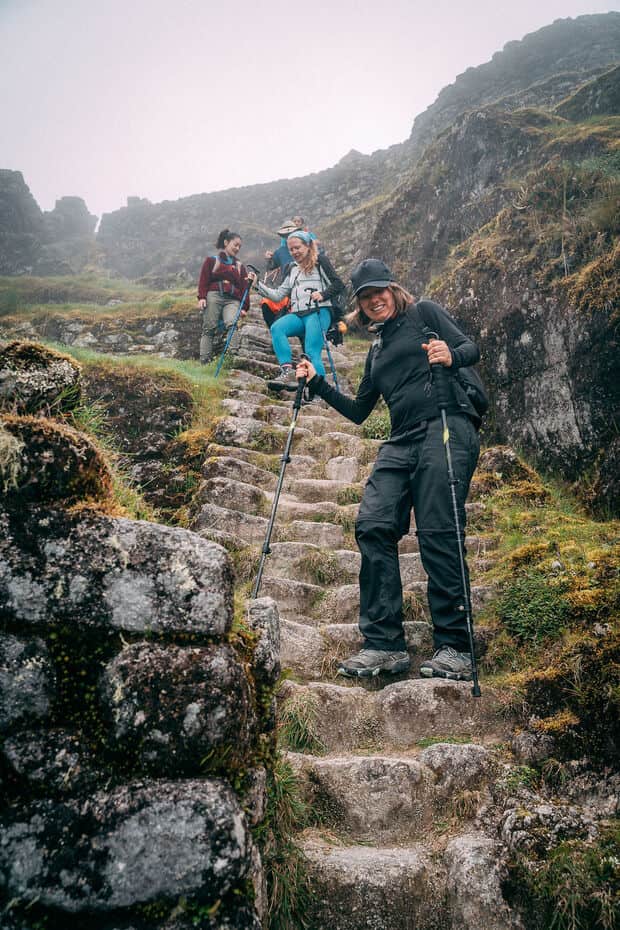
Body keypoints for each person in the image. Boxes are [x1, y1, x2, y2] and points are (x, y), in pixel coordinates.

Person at [295, 259, 482, 681]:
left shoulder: (425, 315)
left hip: (446, 423)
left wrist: (449, 354)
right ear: (359, 306)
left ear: (393, 289)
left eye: (378, 290)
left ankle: (456, 645)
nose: (373, 299)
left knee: (438, 529)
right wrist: (318, 383)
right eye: (364, 296)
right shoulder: (376, 351)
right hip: (401, 440)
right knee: (373, 523)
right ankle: (383, 644)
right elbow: (360, 412)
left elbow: (471, 349)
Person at [249, 231, 345, 389]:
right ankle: (288, 372)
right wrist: (257, 284)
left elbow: (338, 284)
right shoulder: (292, 268)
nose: (294, 252)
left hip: (319, 311)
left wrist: (322, 294)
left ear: (308, 246)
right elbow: (278, 295)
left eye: (297, 248)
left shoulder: (320, 261)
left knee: (311, 351)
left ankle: (320, 392)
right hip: (299, 314)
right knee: (277, 328)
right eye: (291, 249)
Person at [197, 229, 250, 364]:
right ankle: (205, 361)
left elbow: (244, 287)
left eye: (239, 246)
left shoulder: (240, 266)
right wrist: (202, 297)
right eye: (235, 244)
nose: (237, 248)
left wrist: (244, 307)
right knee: (209, 328)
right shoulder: (211, 260)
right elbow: (204, 280)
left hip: (232, 300)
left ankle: (231, 358)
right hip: (213, 296)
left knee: (232, 324)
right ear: (226, 242)